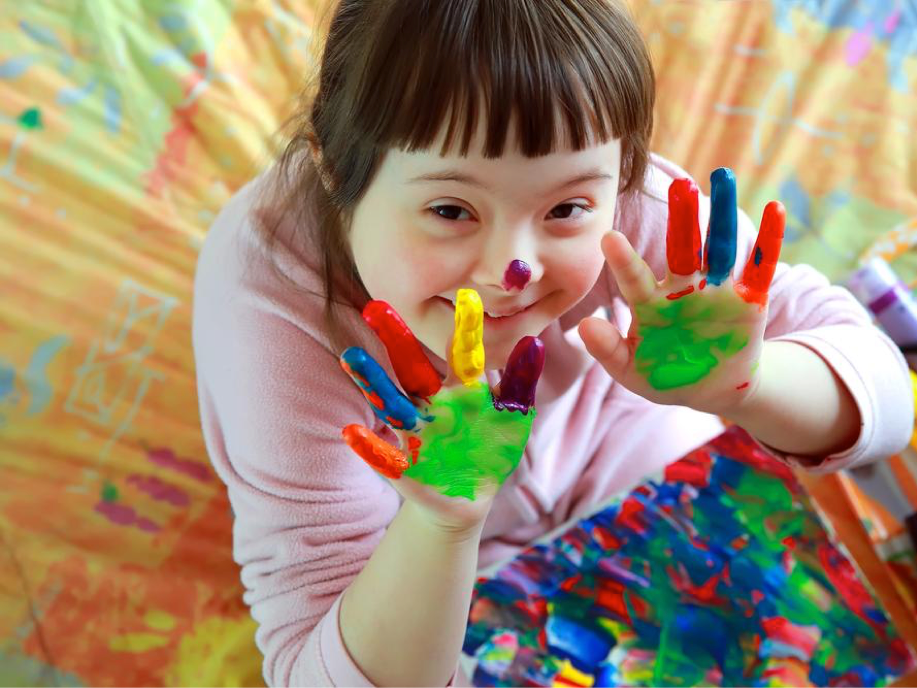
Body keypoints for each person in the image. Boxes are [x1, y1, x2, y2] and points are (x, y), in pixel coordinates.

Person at [191, 1, 913, 686]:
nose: (513, 270)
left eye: (565, 207)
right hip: (422, 564)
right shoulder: (270, 309)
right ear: (331, 167)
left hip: (637, 456)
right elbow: (318, 669)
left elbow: (885, 399)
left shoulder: (635, 214)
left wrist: (745, 383)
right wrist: (441, 523)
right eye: (450, 209)